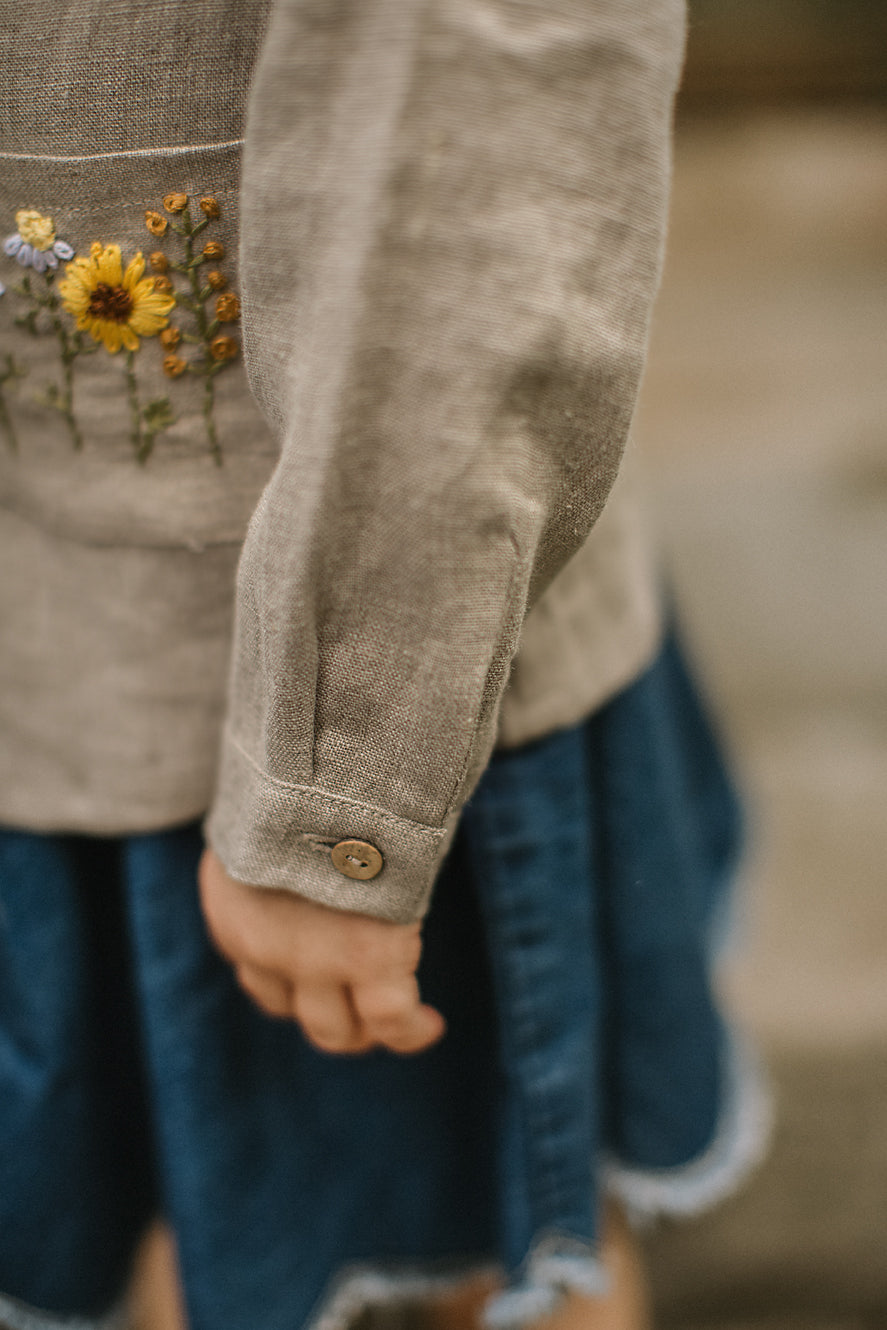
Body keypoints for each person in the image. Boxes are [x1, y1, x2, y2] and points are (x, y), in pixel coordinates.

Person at [0, 3, 769, 1329]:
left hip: (357, 660)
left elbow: (487, 126)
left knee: (503, 1259)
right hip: (62, 654)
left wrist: (343, 789)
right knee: (206, 1224)